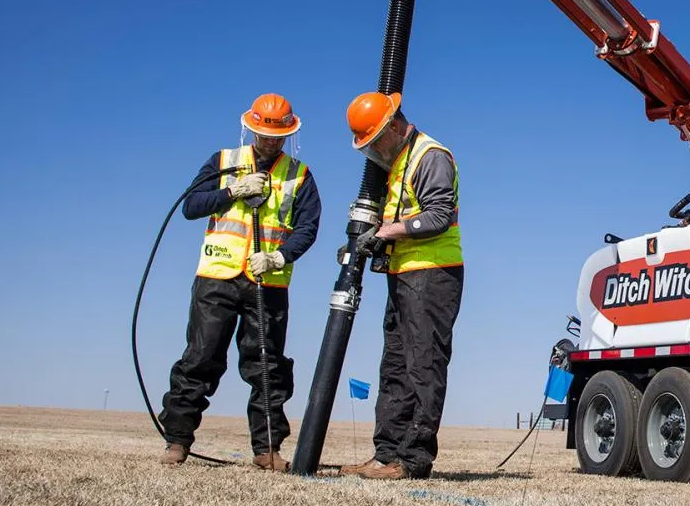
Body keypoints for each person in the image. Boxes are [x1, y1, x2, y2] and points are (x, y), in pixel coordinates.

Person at [159, 94, 321, 470]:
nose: (269, 141)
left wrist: (279, 256)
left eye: (276, 136)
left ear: (288, 135)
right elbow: (190, 207)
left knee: (267, 366)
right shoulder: (223, 162)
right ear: (250, 129)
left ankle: (267, 449)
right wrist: (233, 191)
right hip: (217, 278)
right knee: (199, 359)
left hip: (268, 282)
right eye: (263, 134)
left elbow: (308, 228)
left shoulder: (300, 175)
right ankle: (177, 441)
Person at [340, 91, 464, 480]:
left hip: (434, 274)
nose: (375, 152)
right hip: (404, 273)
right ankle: (386, 453)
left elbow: (439, 214)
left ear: (394, 126)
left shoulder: (430, 156)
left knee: (423, 365)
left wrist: (387, 231)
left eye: (376, 142)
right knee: (394, 366)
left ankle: (412, 460)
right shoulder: (398, 161)